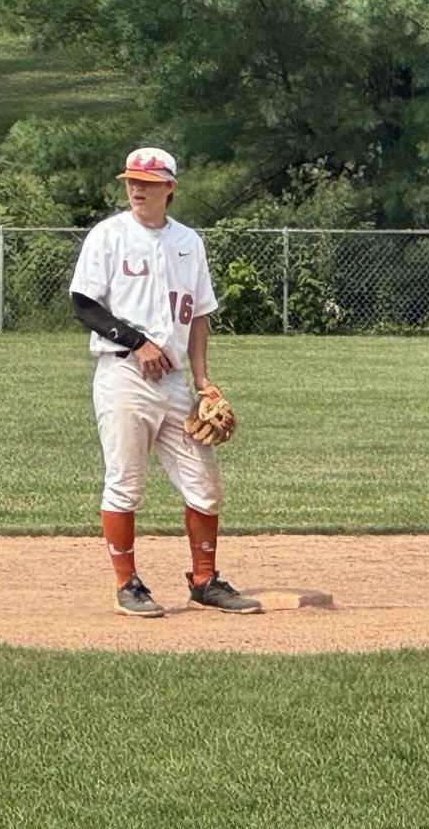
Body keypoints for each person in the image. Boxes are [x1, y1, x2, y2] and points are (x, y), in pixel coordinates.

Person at [69, 147, 262, 618]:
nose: (136, 188)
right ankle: (127, 584)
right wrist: (136, 342)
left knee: (205, 484)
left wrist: (203, 381)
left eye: (148, 182)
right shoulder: (109, 236)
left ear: (169, 187)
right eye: (131, 181)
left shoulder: (188, 242)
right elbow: (83, 303)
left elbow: (197, 316)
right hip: (123, 376)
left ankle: (204, 580)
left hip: (174, 382)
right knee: (125, 484)